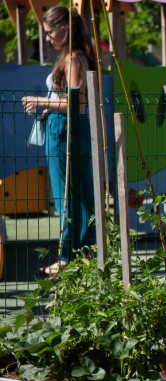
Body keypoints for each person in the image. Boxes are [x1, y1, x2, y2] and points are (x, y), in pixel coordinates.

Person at [22, 5, 96, 276]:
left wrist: (42, 101)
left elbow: (77, 102)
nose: (48, 38)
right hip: (62, 126)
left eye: (50, 32)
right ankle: (81, 251)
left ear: (65, 30)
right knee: (73, 191)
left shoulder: (73, 58)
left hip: (67, 129)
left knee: (67, 193)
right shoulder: (71, 56)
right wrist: (49, 106)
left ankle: (69, 256)